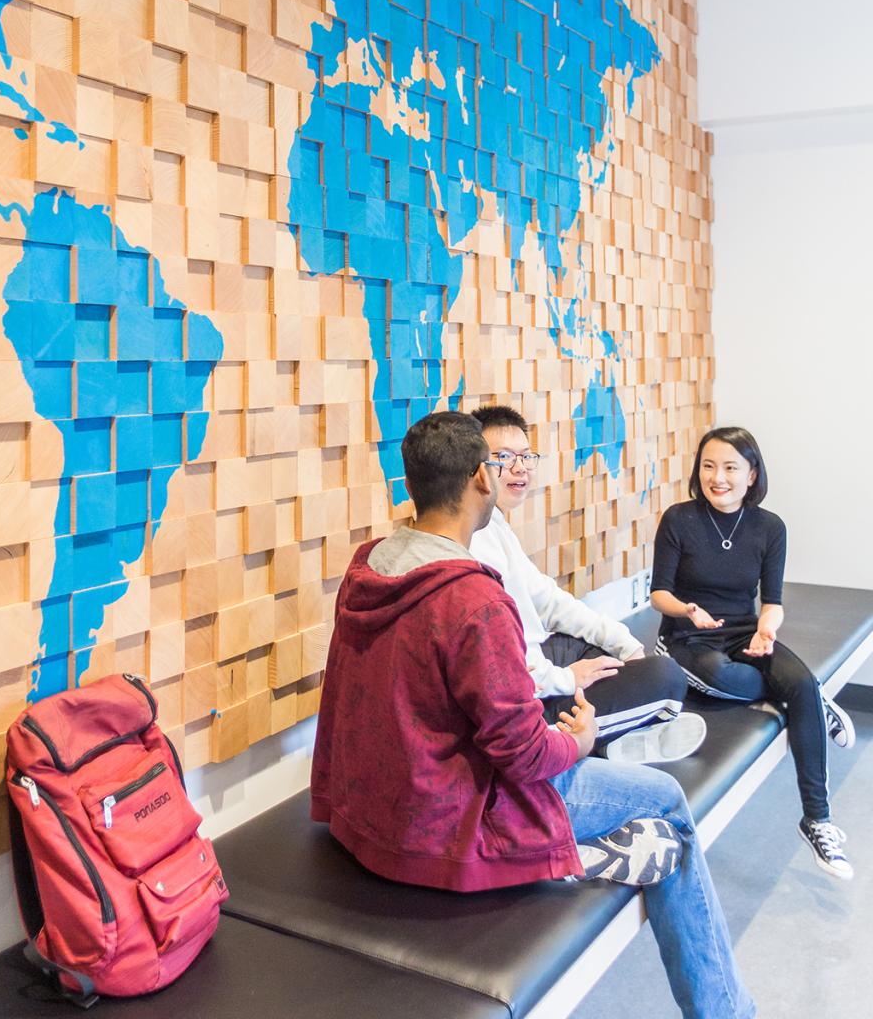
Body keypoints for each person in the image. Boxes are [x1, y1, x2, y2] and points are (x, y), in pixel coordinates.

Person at [312, 411, 755, 1019]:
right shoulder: (470, 597)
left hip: (375, 811)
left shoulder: (372, 565)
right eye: (501, 462)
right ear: (480, 479)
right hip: (450, 823)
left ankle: (580, 851)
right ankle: (725, 1009)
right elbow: (523, 757)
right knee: (668, 802)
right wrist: (579, 741)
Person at [650, 425, 855, 880]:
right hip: (688, 637)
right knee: (735, 680)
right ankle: (812, 703)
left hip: (745, 632)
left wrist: (765, 632)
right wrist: (687, 609)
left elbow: (773, 602)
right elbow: (658, 594)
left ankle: (817, 818)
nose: (717, 477)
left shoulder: (769, 527)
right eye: (708, 466)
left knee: (798, 681)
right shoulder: (679, 519)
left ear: (751, 473)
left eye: (729, 467)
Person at [467, 405, 705, 765]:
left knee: (596, 648)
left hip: (535, 666)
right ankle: (585, 741)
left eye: (526, 457)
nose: (519, 469)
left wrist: (623, 643)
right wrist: (565, 679)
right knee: (667, 677)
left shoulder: (494, 524)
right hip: (522, 698)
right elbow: (500, 659)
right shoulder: (475, 541)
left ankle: (613, 741)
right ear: (475, 467)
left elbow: (549, 600)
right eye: (503, 457)